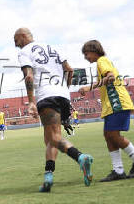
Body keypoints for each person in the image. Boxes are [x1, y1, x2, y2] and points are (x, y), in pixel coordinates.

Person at [14, 28, 93, 192]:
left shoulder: (24, 52)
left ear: (23, 36)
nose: (16, 45)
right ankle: (48, 178)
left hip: (46, 95)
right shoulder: (53, 47)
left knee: (53, 137)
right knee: (50, 139)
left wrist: (30, 102)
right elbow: (69, 70)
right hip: (63, 95)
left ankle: (80, 157)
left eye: (16, 41)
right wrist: (64, 88)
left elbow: (29, 76)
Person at [79, 40, 134, 182]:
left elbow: (110, 77)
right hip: (112, 105)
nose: (85, 57)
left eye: (86, 53)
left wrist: (89, 87)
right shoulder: (102, 62)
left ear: (94, 50)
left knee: (113, 135)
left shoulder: (101, 61)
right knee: (108, 135)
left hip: (117, 103)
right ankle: (118, 170)